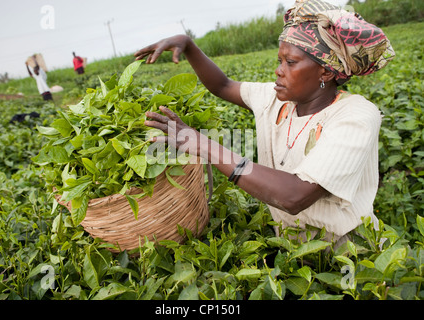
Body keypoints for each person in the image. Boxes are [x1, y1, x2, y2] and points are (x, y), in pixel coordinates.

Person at [134, 0, 395, 247]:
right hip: (293, 251)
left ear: (325, 71)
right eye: (279, 61)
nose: (279, 71)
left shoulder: (356, 115)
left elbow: (294, 196)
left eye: (290, 62)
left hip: (351, 257)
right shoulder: (277, 99)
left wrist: (205, 146)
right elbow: (223, 85)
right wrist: (188, 45)